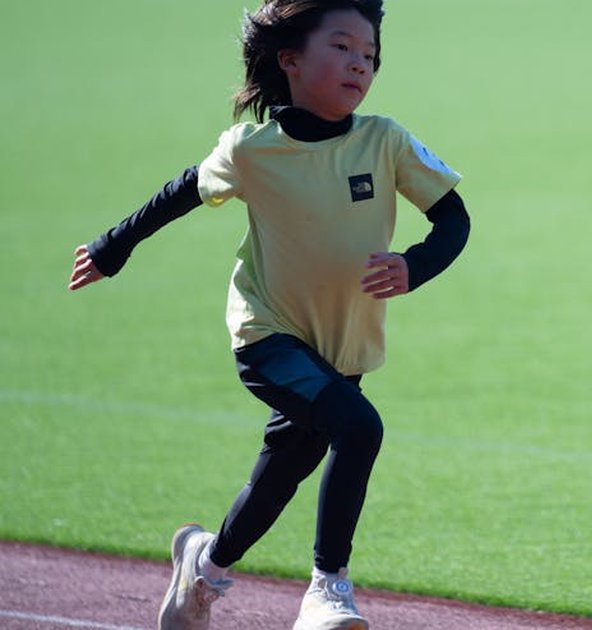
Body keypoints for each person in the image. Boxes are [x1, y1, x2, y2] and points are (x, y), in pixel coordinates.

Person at [68, 1, 469, 628]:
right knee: (359, 429)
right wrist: (111, 247)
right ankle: (327, 588)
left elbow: (454, 218)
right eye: (341, 47)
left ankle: (203, 565)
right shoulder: (252, 149)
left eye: (369, 55)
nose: (359, 64)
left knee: (282, 474)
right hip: (266, 334)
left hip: (340, 345)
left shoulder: (384, 140)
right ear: (289, 60)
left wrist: (414, 265)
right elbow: (181, 192)